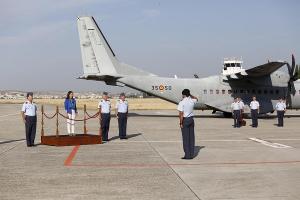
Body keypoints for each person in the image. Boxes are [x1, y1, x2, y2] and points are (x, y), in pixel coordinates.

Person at [177, 89, 198, 159]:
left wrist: (180, 123)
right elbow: (196, 98)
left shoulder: (182, 102)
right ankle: (191, 154)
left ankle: (187, 155)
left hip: (185, 120)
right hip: (191, 120)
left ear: (184, 95)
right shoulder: (192, 100)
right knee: (191, 137)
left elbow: (181, 114)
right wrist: (190, 95)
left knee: (186, 138)